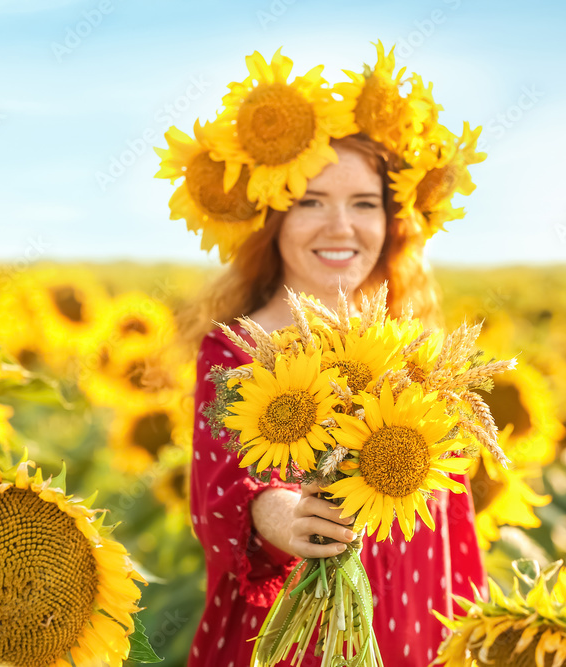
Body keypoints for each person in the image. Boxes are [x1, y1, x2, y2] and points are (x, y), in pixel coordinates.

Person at [157, 45, 487, 667]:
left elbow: (453, 525)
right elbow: (218, 490)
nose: (341, 227)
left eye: (365, 203)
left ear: (393, 221)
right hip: (285, 636)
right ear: (273, 220)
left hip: (413, 627)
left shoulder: (416, 351)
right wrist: (281, 514)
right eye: (310, 202)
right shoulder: (235, 349)